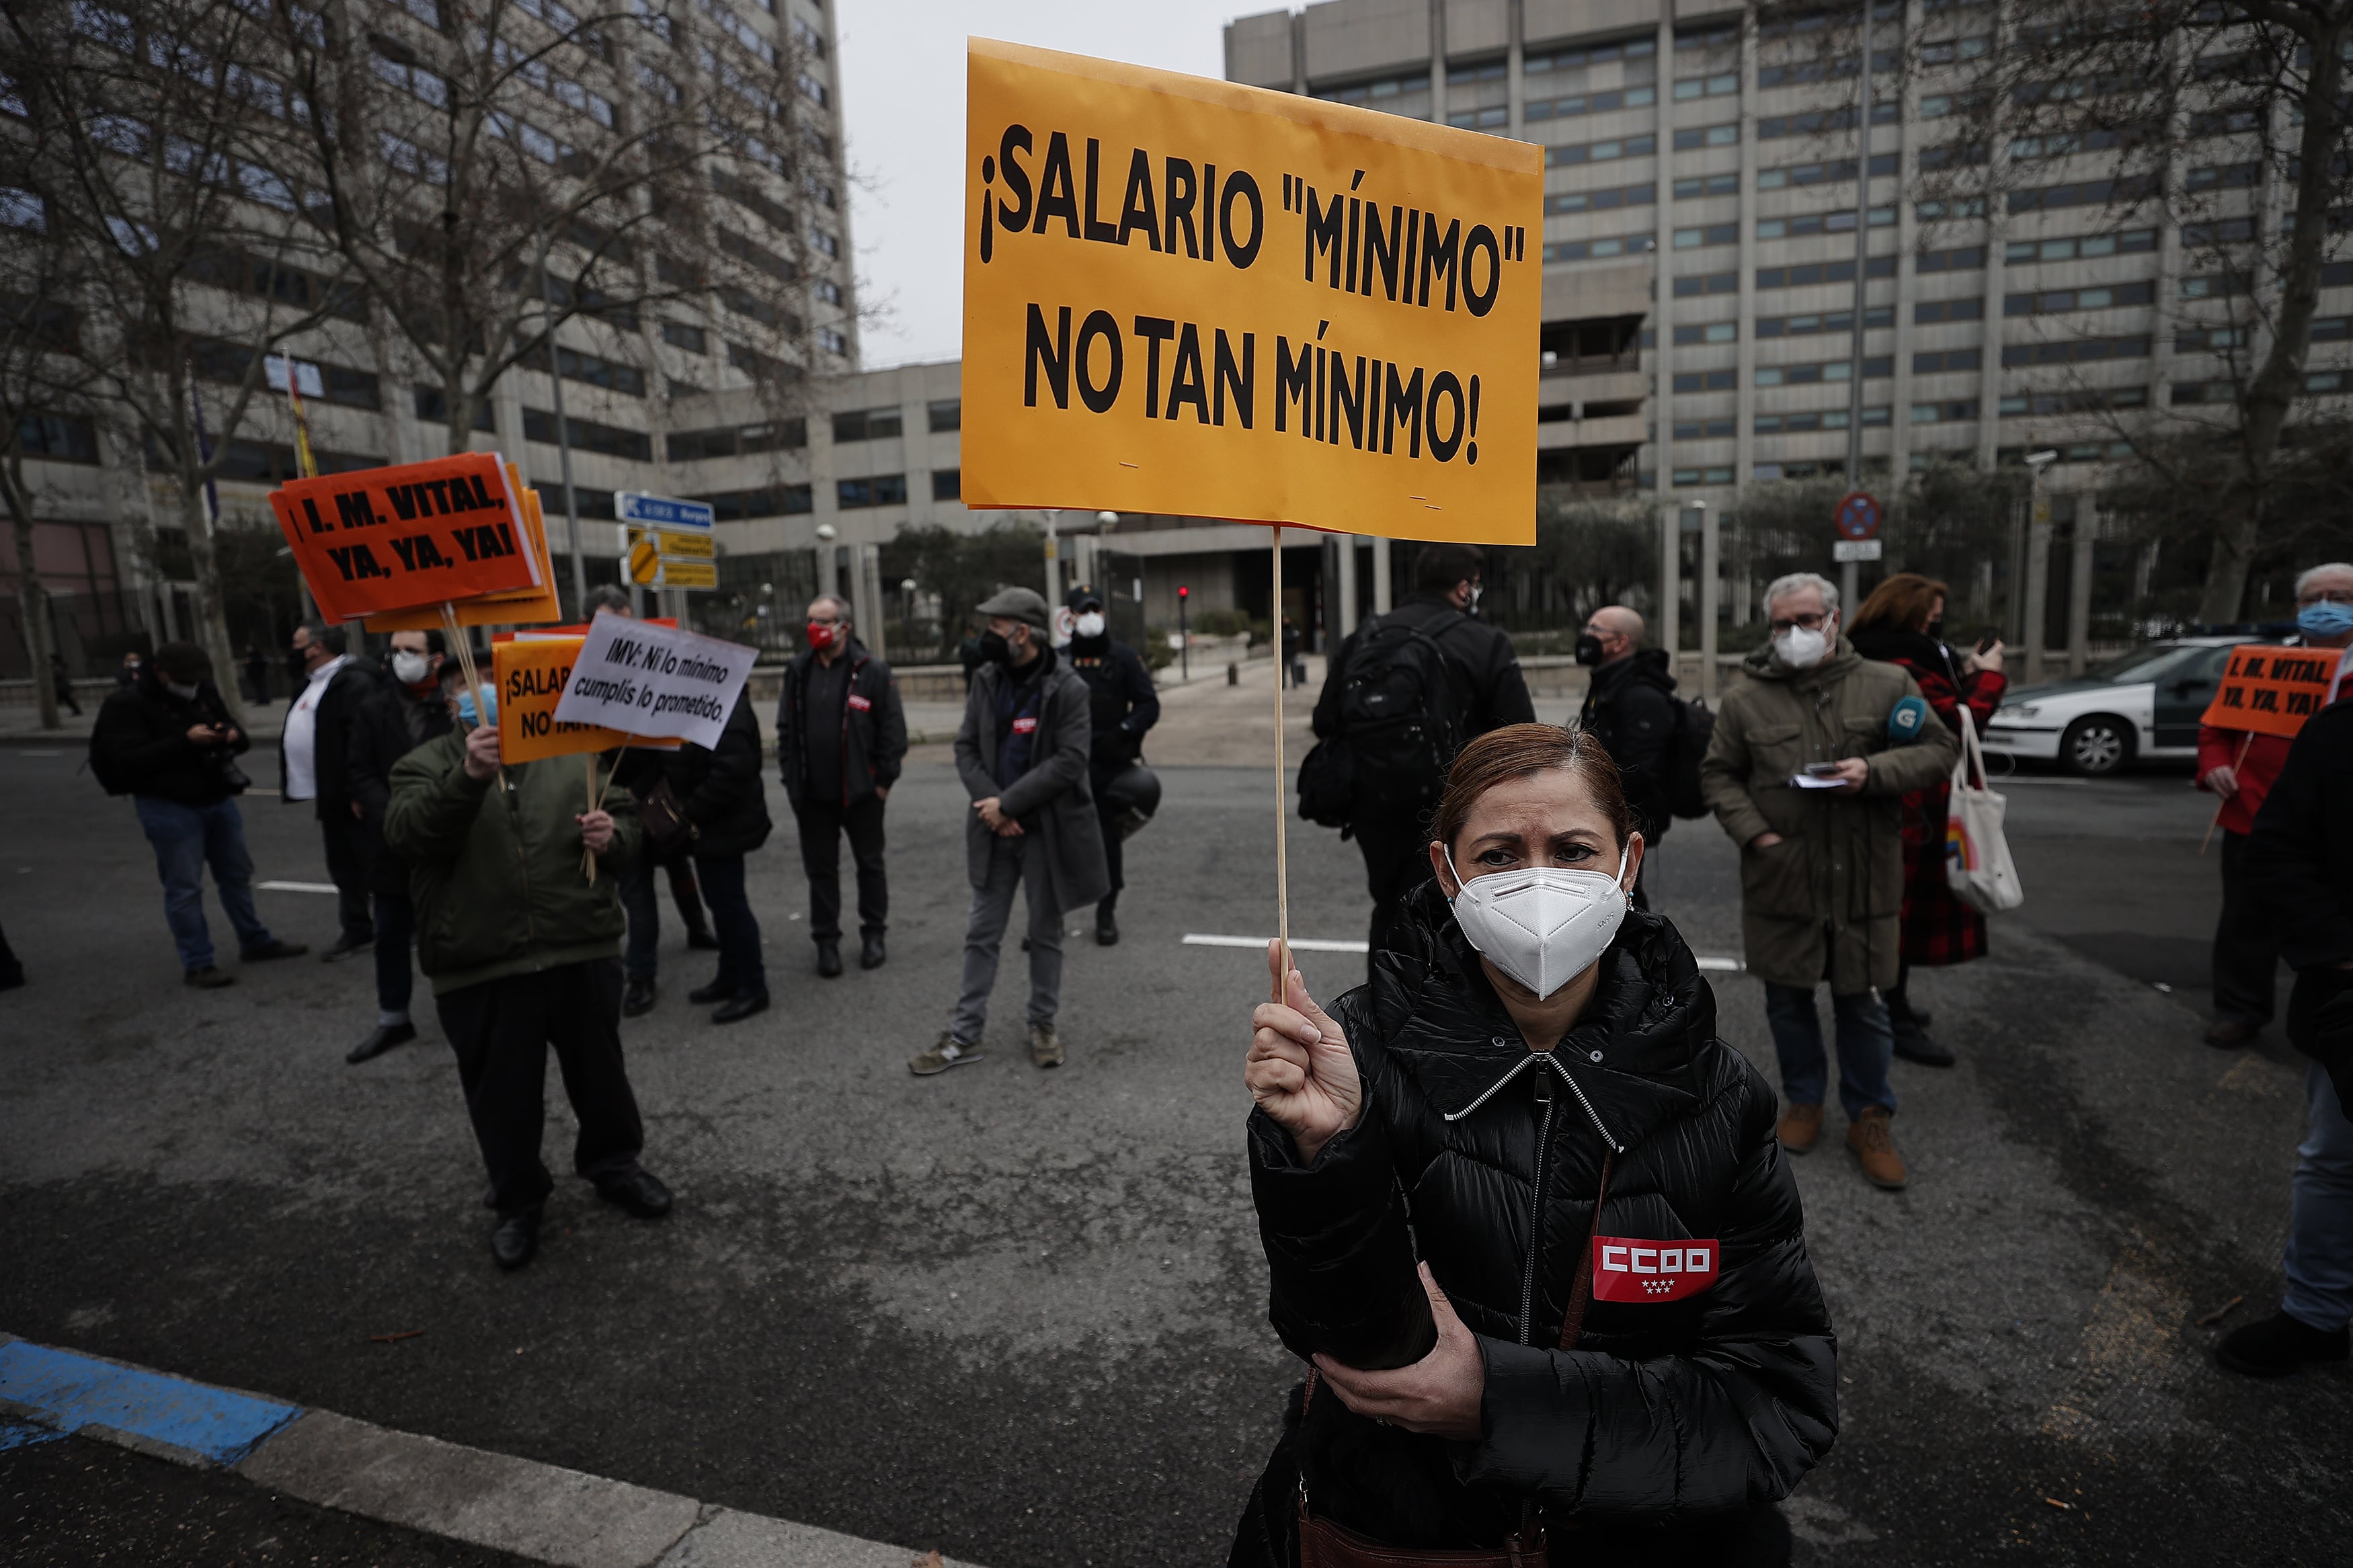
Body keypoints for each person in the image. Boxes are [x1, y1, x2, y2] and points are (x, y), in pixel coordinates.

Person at [1231, 724, 1835, 1566]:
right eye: (1499, 854)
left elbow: (1771, 1401)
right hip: (1392, 1534)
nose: (1537, 881)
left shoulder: (1717, 1095)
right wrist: (1326, 1149)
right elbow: (1342, 1342)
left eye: (1573, 849)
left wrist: (1499, 1401)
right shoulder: (1355, 1049)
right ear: (1446, 872)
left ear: (1627, 863)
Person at [384, 657, 672, 1271]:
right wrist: (468, 776)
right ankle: (518, 1199)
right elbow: (409, 836)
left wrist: (611, 836)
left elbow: (626, 822)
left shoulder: (570, 752)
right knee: (504, 1096)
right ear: (452, 703)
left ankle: (614, 1164)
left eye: (493, 683)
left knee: (601, 1078)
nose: (481, 695)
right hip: (482, 961)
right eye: (468, 686)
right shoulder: (422, 765)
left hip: (579, 945)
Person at [1701, 572, 1957, 1192]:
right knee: (1787, 1000)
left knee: (1863, 1002)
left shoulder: (1887, 683)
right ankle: (1804, 1101)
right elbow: (1719, 775)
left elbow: (1939, 747)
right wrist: (1757, 835)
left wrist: (1873, 770)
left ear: (1835, 620)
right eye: (1781, 624)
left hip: (1864, 876)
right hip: (1782, 875)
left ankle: (1870, 1115)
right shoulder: (1745, 699)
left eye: (1807, 620)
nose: (1795, 634)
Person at [910, 587, 1109, 1076]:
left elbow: (1070, 761)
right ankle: (964, 1033)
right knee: (982, 932)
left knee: (1045, 933)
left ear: (1023, 632)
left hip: (1044, 830)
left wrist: (1010, 803)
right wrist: (992, 807)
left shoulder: (1068, 688)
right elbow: (965, 748)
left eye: (995, 627)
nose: (985, 637)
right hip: (992, 827)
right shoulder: (985, 679)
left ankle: (1043, 1023)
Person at [1312, 542, 1536, 967]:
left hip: (1374, 806)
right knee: (1461, 913)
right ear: (1464, 588)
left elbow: (1326, 719)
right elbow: (1519, 737)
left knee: (1392, 908)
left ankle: (1385, 1012)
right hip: (1456, 807)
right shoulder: (1485, 642)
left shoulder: (1364, 637)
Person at [2233, 696, 2353, 1376]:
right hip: (2347, 1000)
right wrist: (2337, 952)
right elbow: (2276, 850)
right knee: (2333, 1159)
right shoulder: (2338, 730)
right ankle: (2314, 1314)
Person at [1846, 573, 2007, 1069]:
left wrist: (1968, 668)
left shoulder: (1909, 652)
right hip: (1913, 805)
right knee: (1900, 913)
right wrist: (1990, 676)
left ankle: (1896, 1004)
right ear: (1909, 610)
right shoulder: (1899, 659)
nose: (1937, 621)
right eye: (1931, 613)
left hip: (1920, 801)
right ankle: (1892, 1014)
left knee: (1904, 913)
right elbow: (1958, 721)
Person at [2198, 561, 2353, 1049]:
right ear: (2297, 609)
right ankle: (2240, 1009)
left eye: (2341, 596)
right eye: (2314, 599)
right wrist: (2215, 766)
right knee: (2246, 920)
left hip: (2340, 829)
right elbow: (2215, 730)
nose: (2326, 607)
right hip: (2255, 814)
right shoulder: (2260, 665)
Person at [89, 641, 307, 985]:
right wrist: (185, 741)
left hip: (216, 797)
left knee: (236, 875)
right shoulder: (126, 704)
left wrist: (231, 737)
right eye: (183, 679)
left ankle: (255, 940)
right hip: (167, 805)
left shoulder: (202, 691)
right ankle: (198, 962)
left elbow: (238, 735)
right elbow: (125, 761)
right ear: (160, 672)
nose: (191, 686)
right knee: (184, 887)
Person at [580, 587, 720, 1020]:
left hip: (654, 793)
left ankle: (697, 927)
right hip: (614, 797)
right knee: (637, 892)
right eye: (610, 623)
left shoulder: (656, 666)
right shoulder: (580, 669)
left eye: (626, 621)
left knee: (679, 864)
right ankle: (640, 977)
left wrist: (654, 789)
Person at [778, 593, 906, 977]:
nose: (814, 628)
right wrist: (791, 782)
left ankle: (873, 935)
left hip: (862, 794)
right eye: (811, 620)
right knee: (821, 871)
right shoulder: (798, 669)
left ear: (844, 627)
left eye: (823, 621)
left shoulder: (872, 670)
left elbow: (893, 732)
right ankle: (827, 943)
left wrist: (882, 783)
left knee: (870, 865)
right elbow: (786, 730)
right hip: (813, 796)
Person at [342, 628, 452, 1064]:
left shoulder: (454, 707)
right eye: (396, 650)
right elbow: (360, 770)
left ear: (437, 658)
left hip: (444, 838)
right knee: (389, 931)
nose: (400, 657)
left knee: (450, 929)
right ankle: (393, 1017)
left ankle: (460, 1008)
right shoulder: (373, 709)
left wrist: (432, 813)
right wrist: (393, 814)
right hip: (391, 841)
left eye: (412, 650)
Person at [664, 680, 774, 1023]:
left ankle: (753, 987)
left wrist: (689, 811)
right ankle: (730, 976)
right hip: (712, 827)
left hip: (723, 826)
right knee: (720, 903)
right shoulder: (707, 702)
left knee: (730, 906)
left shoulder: (730, 709)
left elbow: (730, 773)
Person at [1064, 583, 1159, 946]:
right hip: (1066, 765)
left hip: (1108, 763)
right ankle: (1049, 915)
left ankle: (1106, 913)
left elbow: (1149, 705)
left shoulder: (1123, 658)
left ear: (1103, 613)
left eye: (1095, 610)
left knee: (1106, 842)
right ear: (1070, 616)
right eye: (1082, 610)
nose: (1089, 617)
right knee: (1057, 841)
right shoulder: (1058, 659)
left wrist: (1124, 731)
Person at [282, 622, 376, 962]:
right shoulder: (312, 683)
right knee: (344, 865)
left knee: (369, 861)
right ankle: (358, 928)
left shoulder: (353, 682)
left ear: (316, 648)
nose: (291, 650)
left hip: (349, 793)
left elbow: (360, 738)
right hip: (330, 793)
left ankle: (391, 926)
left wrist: (356, 789)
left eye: (296, 643)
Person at [1574, 604, 1677, 905]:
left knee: (1624, 893)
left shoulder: (1640, 695)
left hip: (1626, 819)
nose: (1586, 636)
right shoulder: (1609, 683)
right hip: (1605, 813)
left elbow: (1639, 771)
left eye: (1595, 630)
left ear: (1619, 642)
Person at [49, 653, 81, 717]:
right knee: (67, 699)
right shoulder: (58, 666)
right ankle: (77, 711)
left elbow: (57, 676)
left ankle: (50, 714)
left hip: (61, 687)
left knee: (62, 699)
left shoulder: (57, 667)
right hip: (62, 686)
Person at [244, 643, 272, 708]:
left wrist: (252, 662)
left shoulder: (258, 656)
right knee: (258, 688)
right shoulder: (252, 655)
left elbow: (262, 663)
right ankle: (261, 699)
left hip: (259, 674)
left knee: (261, 687)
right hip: (255, 674)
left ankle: (264, 699)